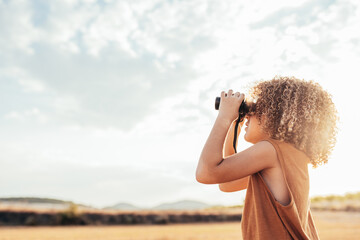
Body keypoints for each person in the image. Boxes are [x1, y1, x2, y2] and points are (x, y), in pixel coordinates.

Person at [195, 76, 339, 239]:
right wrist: (235, 124)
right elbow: (227, 184)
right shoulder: (289, 155)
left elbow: (206, 173)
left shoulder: (271, 150)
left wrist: (224, 117)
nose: (249, 115)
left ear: (277, 115)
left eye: (257, 109)